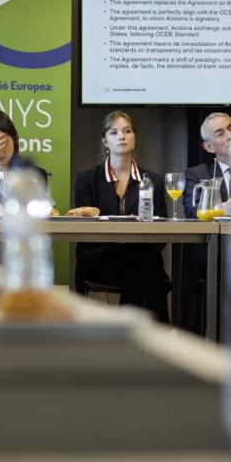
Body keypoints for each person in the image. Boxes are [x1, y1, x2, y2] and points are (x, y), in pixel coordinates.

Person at [69, 110, 170, 322]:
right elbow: (85, 230)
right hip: (99, 257)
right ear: (104, 140)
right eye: (114, 132)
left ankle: (128, 326)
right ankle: (158, 328)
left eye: (127, 131)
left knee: (143, 259)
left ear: (135, 137)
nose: (121, 137)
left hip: (141, 256)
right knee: (148, 266)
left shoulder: (153, 180)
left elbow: (161, 231)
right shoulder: (87, 179)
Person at [0, 110, 48, 215]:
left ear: (14, 140)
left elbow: (39, 215)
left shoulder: (33, 175)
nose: (0, 152)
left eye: (4, 143)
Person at [182, 112, 231, 219]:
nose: (230, 136)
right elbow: (192, 211)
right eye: (220, 134)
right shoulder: (197, 175)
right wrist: (222, 210)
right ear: (209, 147)